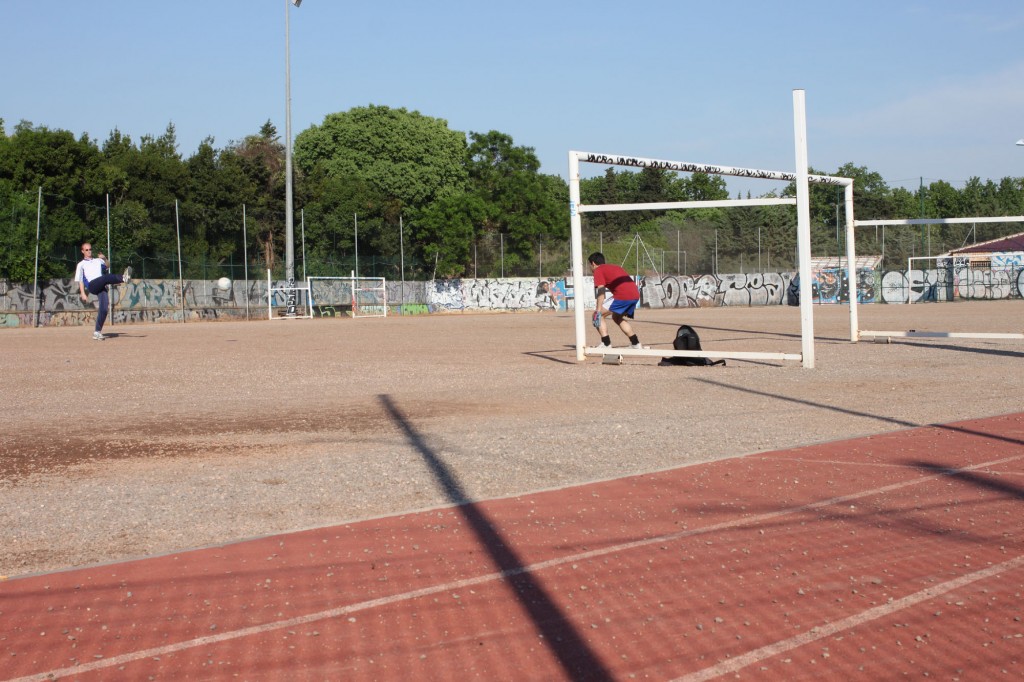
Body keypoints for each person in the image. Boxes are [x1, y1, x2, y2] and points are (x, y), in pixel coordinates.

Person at [74, 242, 132, 340]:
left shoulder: (98, 260)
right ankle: (123, 278)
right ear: (82, 251)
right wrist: (83, 293)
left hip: (101, 285)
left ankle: (97, 332)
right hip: (92, 285)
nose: (89, 251)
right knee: (105, 278)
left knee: (104, 309)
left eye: (90, 249)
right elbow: (80, 280)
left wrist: (104, 258)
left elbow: (107, 266)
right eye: (86, 250)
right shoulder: (81, 265)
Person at [588, 252, 643, 349]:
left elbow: (601, 293)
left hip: (622, 295)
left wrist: (598, 310)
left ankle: (606, 344)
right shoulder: (615, 267)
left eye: (590, 265)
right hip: (635, 294)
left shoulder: (598, 270)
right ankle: (635, 343)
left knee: (597, 316)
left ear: (593, 263)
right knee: (617, 318)